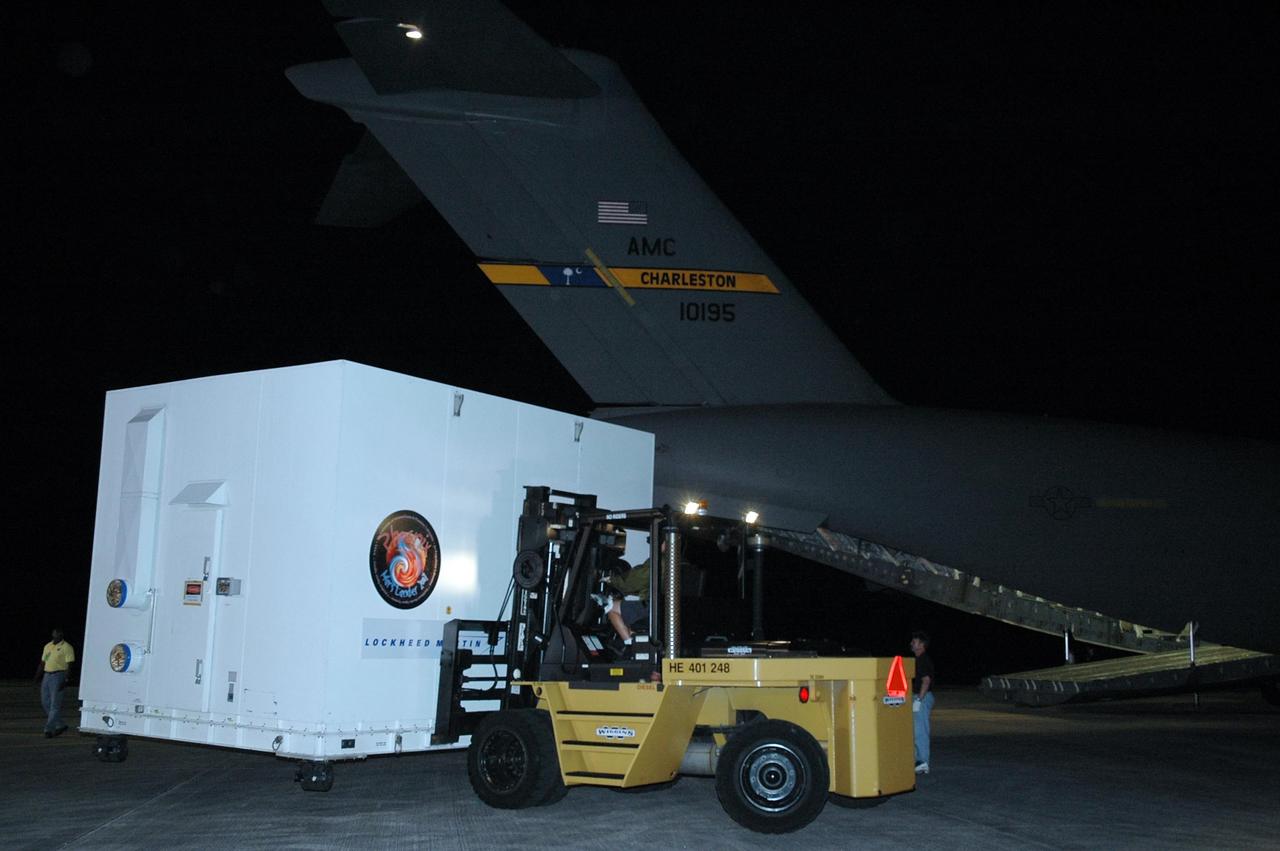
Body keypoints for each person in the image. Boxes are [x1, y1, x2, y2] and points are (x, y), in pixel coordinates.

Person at [36, 628, 76, 738]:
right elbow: (43, 662)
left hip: (58, 675)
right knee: (45, 702)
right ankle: (60, 724)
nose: (56, 636)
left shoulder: (67, 647)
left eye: (58, 634)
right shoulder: (48, 646)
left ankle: (48, 729)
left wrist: (66, 679)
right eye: (54, 634)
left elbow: (70, 665)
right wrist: (37, 676)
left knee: (55, 704)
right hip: (47, 675)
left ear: (61, 635)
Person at [910, 631, 935, 775]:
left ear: (921, 645)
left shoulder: (922, 660)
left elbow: (926, 680)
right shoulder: (919, 659)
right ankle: (917, 761)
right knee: (915, 729)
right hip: (920, 696)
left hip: (922, 697)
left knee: (920, 730)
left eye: (914, 641)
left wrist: (919, 699)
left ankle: (923, 762)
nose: (912, 644)